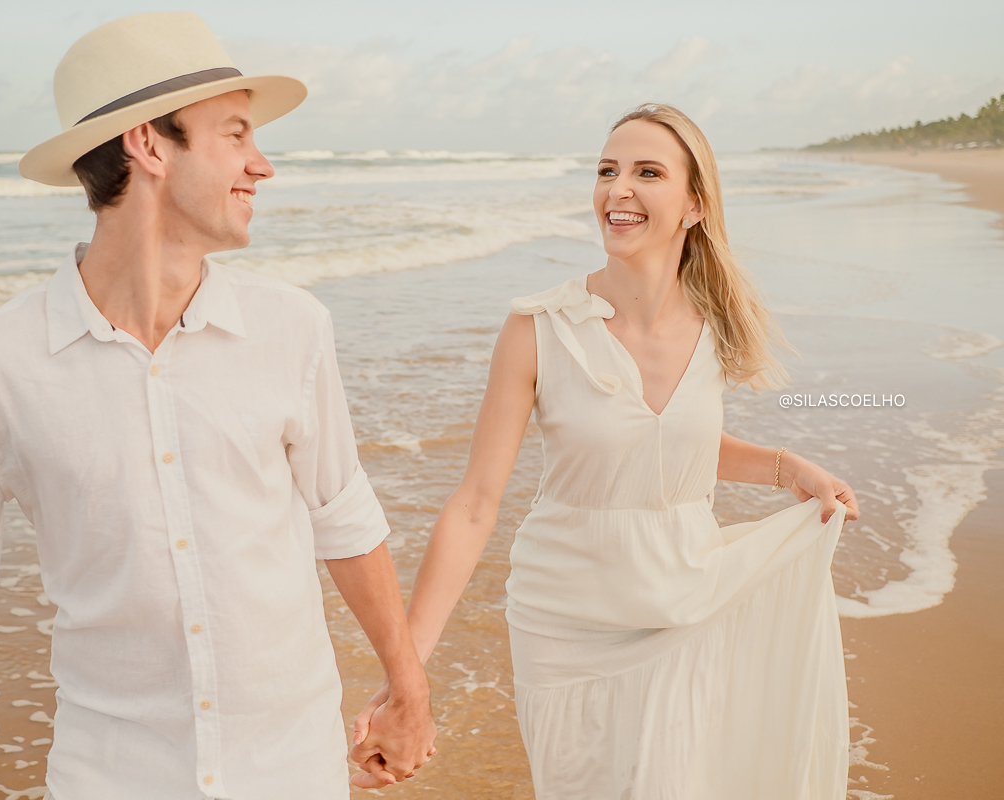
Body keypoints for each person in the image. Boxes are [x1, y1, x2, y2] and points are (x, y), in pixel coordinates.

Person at [0, 12, 434, 800]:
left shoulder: (292, 327)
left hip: (293, 768)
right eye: (236, 135)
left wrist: (407, 689)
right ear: (149, 145)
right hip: (111, 776)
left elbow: (341, 514)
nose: (262, 164)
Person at [353, 104, 861, 798]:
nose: (617, 189)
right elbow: (475, 505)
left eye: (647, 172)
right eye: (606, 171)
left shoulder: (715, 325)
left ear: (694, 205)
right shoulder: (539, 328)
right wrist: (406, 675)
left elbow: (666, 444)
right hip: (565, 624)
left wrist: (786, 468)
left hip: (685, 597)